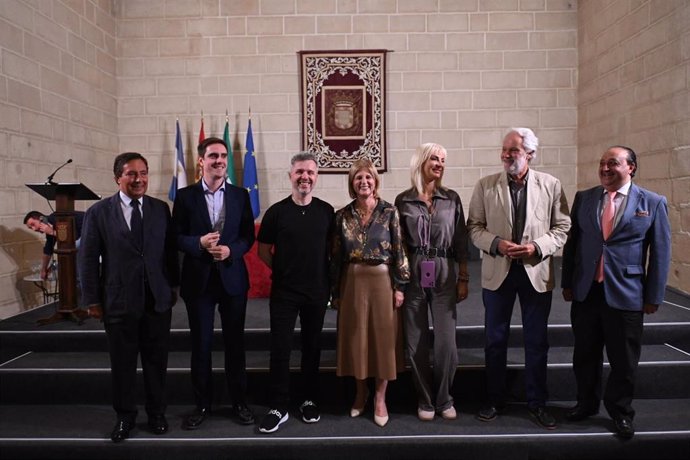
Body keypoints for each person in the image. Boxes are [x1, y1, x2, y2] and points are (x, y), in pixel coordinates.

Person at [561, 145, 671, 439]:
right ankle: (586, 404)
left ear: (631, 167)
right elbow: (573, 245)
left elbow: (660, 254)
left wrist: (653, 296)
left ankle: (621, 412)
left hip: (627, 294)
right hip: (587, 292)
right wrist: (568, 283)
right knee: (584, 355)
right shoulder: (584, 198)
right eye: (602, 163)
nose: (605, 168)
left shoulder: (653, 202)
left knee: (623, 360)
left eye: (613, 163)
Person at [466, 128, 570, 429]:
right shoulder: (486, 185)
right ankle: (495, 399)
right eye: (505, 149)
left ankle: (537, 402)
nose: (506, 155)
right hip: (498, 272)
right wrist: (496, 243)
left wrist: (536, 247)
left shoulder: (551, 185)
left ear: (530, 154)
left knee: (537, 342)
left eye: (514, 150)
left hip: (535, 272)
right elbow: (474, 227)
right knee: (494, 341)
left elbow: (562, 228)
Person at [79, 152, 179, 442]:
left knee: (156, 363)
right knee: (123, 365)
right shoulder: (98, 212)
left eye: (144, 173)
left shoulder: (161, 209)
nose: (139, 179)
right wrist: (92, 300)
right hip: (118, 303)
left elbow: (170, 253)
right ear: (118, 178)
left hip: (157, 302)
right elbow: (87, 259)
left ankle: (157, 414)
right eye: (132, 174)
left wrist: (173, 287)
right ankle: (125, 417)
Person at [172, 137, 256, 429]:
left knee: (235, 345)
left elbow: (248, 236)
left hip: (232, 280)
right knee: (202, 346)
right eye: (213, 156)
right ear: (201, 161)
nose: (219, 160)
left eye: (223, 156)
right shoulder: (184, 197)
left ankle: (239, 403)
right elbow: (176, 237)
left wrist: (232, 249)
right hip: (199, 282)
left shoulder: (240, 195)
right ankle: (202, 405)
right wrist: (198, 242)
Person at [256, 152, 334, 433]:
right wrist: (284, 268)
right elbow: (263, 250)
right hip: (285, 292)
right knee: (280, 349)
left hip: (316, 291)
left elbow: (331, 250)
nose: (305, 177)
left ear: (316, 177)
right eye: (300, 172)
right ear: (290, 176)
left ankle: (308, 399)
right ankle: (279, 405)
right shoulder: (276, 212)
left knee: (312, 348)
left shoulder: (326, 211)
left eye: (311, 173)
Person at [331, 159, 410, 427]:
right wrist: (335, 291)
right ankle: (360, 392)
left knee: (383, 340)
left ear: (375, 181)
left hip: (383, 280)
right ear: (352, 183)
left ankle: (379, 397)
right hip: (352, 282)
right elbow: (336, 257)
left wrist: (400, 286)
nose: (363, 182)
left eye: (368, 177)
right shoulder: (341, 216)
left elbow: (400, 249)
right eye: (358, 178)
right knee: (357, 339)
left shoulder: (390, 212)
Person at [395, 143, 469, 422]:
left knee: (446, 342)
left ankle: (444, 398)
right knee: (415, 342)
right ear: (421, 162)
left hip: (444, 270)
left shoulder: (451, 198)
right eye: (434, 159)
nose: (439, 164)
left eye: (443, 160)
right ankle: (425, 400)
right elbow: (398, 245)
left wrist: (463, 276)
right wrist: (398, 283)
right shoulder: (403, 200)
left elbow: (461, 240)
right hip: (413, 270)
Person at [24, 210, 85, 280]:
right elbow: (48, 249)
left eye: (33, 224)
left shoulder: (58, 219)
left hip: (92, 232)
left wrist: (52, 232)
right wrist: (44, 269)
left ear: (41, 219)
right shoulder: (50, 226)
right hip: (83, 241)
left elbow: (74, 238)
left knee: (74, 247)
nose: (34, 229)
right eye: (30, 228)